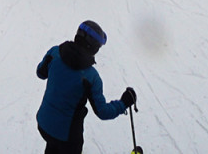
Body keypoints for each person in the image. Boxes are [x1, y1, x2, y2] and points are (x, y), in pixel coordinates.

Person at [34, 21, 134, 154]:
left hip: (44, 124)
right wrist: (124, 103)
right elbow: (102, 112)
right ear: (94, 48)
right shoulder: (91, 77)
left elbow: (40, 73)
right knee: (61, 144)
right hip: (67, 138)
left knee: (52, 145)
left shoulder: (55, 53)